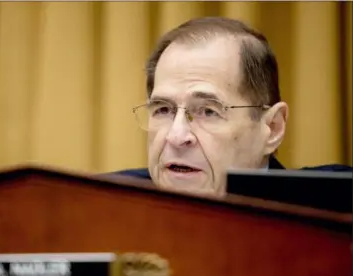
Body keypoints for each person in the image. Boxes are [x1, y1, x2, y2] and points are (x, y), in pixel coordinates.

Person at [107, 17, 352, 196]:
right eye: (163, 109)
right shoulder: (102, 206)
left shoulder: (334, 212)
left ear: (273, 128)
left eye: (208, 111)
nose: (176, 136)